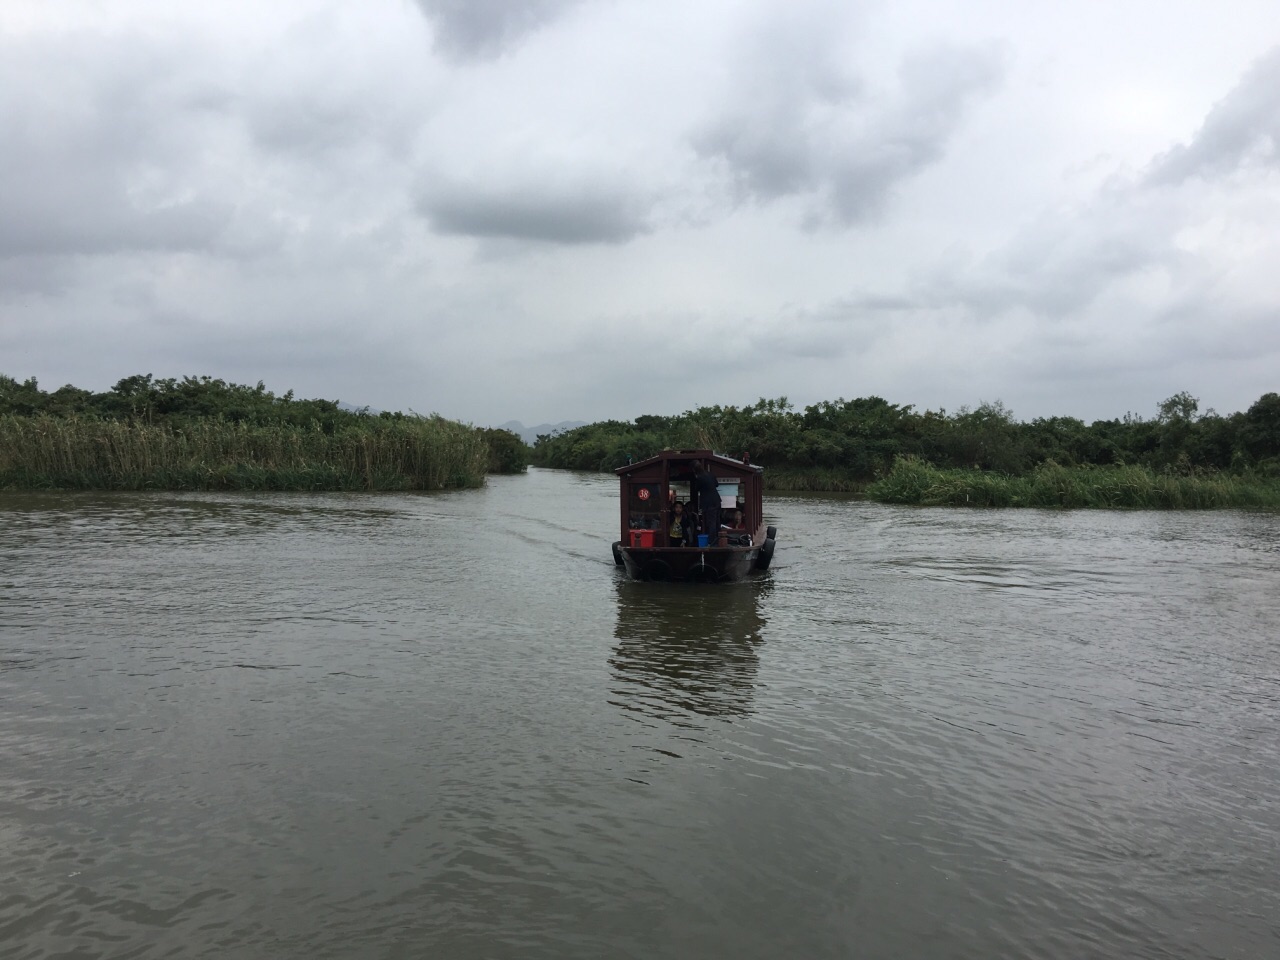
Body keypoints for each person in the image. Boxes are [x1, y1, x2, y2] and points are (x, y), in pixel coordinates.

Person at [691, 459, 721, 546]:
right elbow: (716, 484)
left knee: (711, 523)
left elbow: (696, 489)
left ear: (694, 470)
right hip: (717, 500)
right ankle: (718, 540)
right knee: (717, 522)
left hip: (709, 503)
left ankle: (711, 542)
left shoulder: (699, 478)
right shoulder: (710, 474)